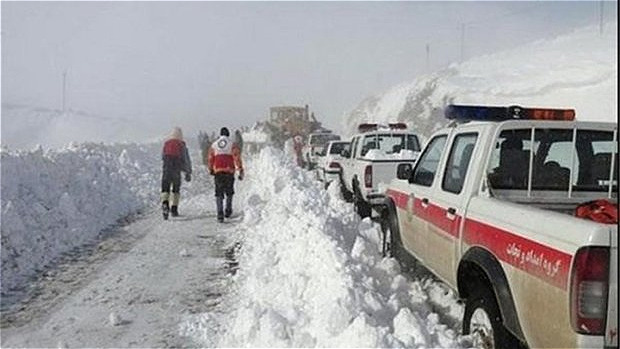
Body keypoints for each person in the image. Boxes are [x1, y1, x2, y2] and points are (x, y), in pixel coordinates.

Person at [207, 127, 244, 222]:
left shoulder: (214, 145)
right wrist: (240, 169)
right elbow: (236, 157)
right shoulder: (232, 144)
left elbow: (210, 158)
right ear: (228, 134)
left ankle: (220, 213)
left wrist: (211, 169)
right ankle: (228, 210)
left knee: (218, 193)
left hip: (218, 171)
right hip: (229, 171)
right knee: (229, 192)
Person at [161, 127, 192, 220]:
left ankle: (165, 204)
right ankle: (174, 209)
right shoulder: (181, 145)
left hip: (166, 168)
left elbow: (162, 156)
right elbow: (186, 159)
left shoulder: (166, 144)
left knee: (165, 188)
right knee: (175, 189)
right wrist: (188, 172)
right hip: (176, 169)